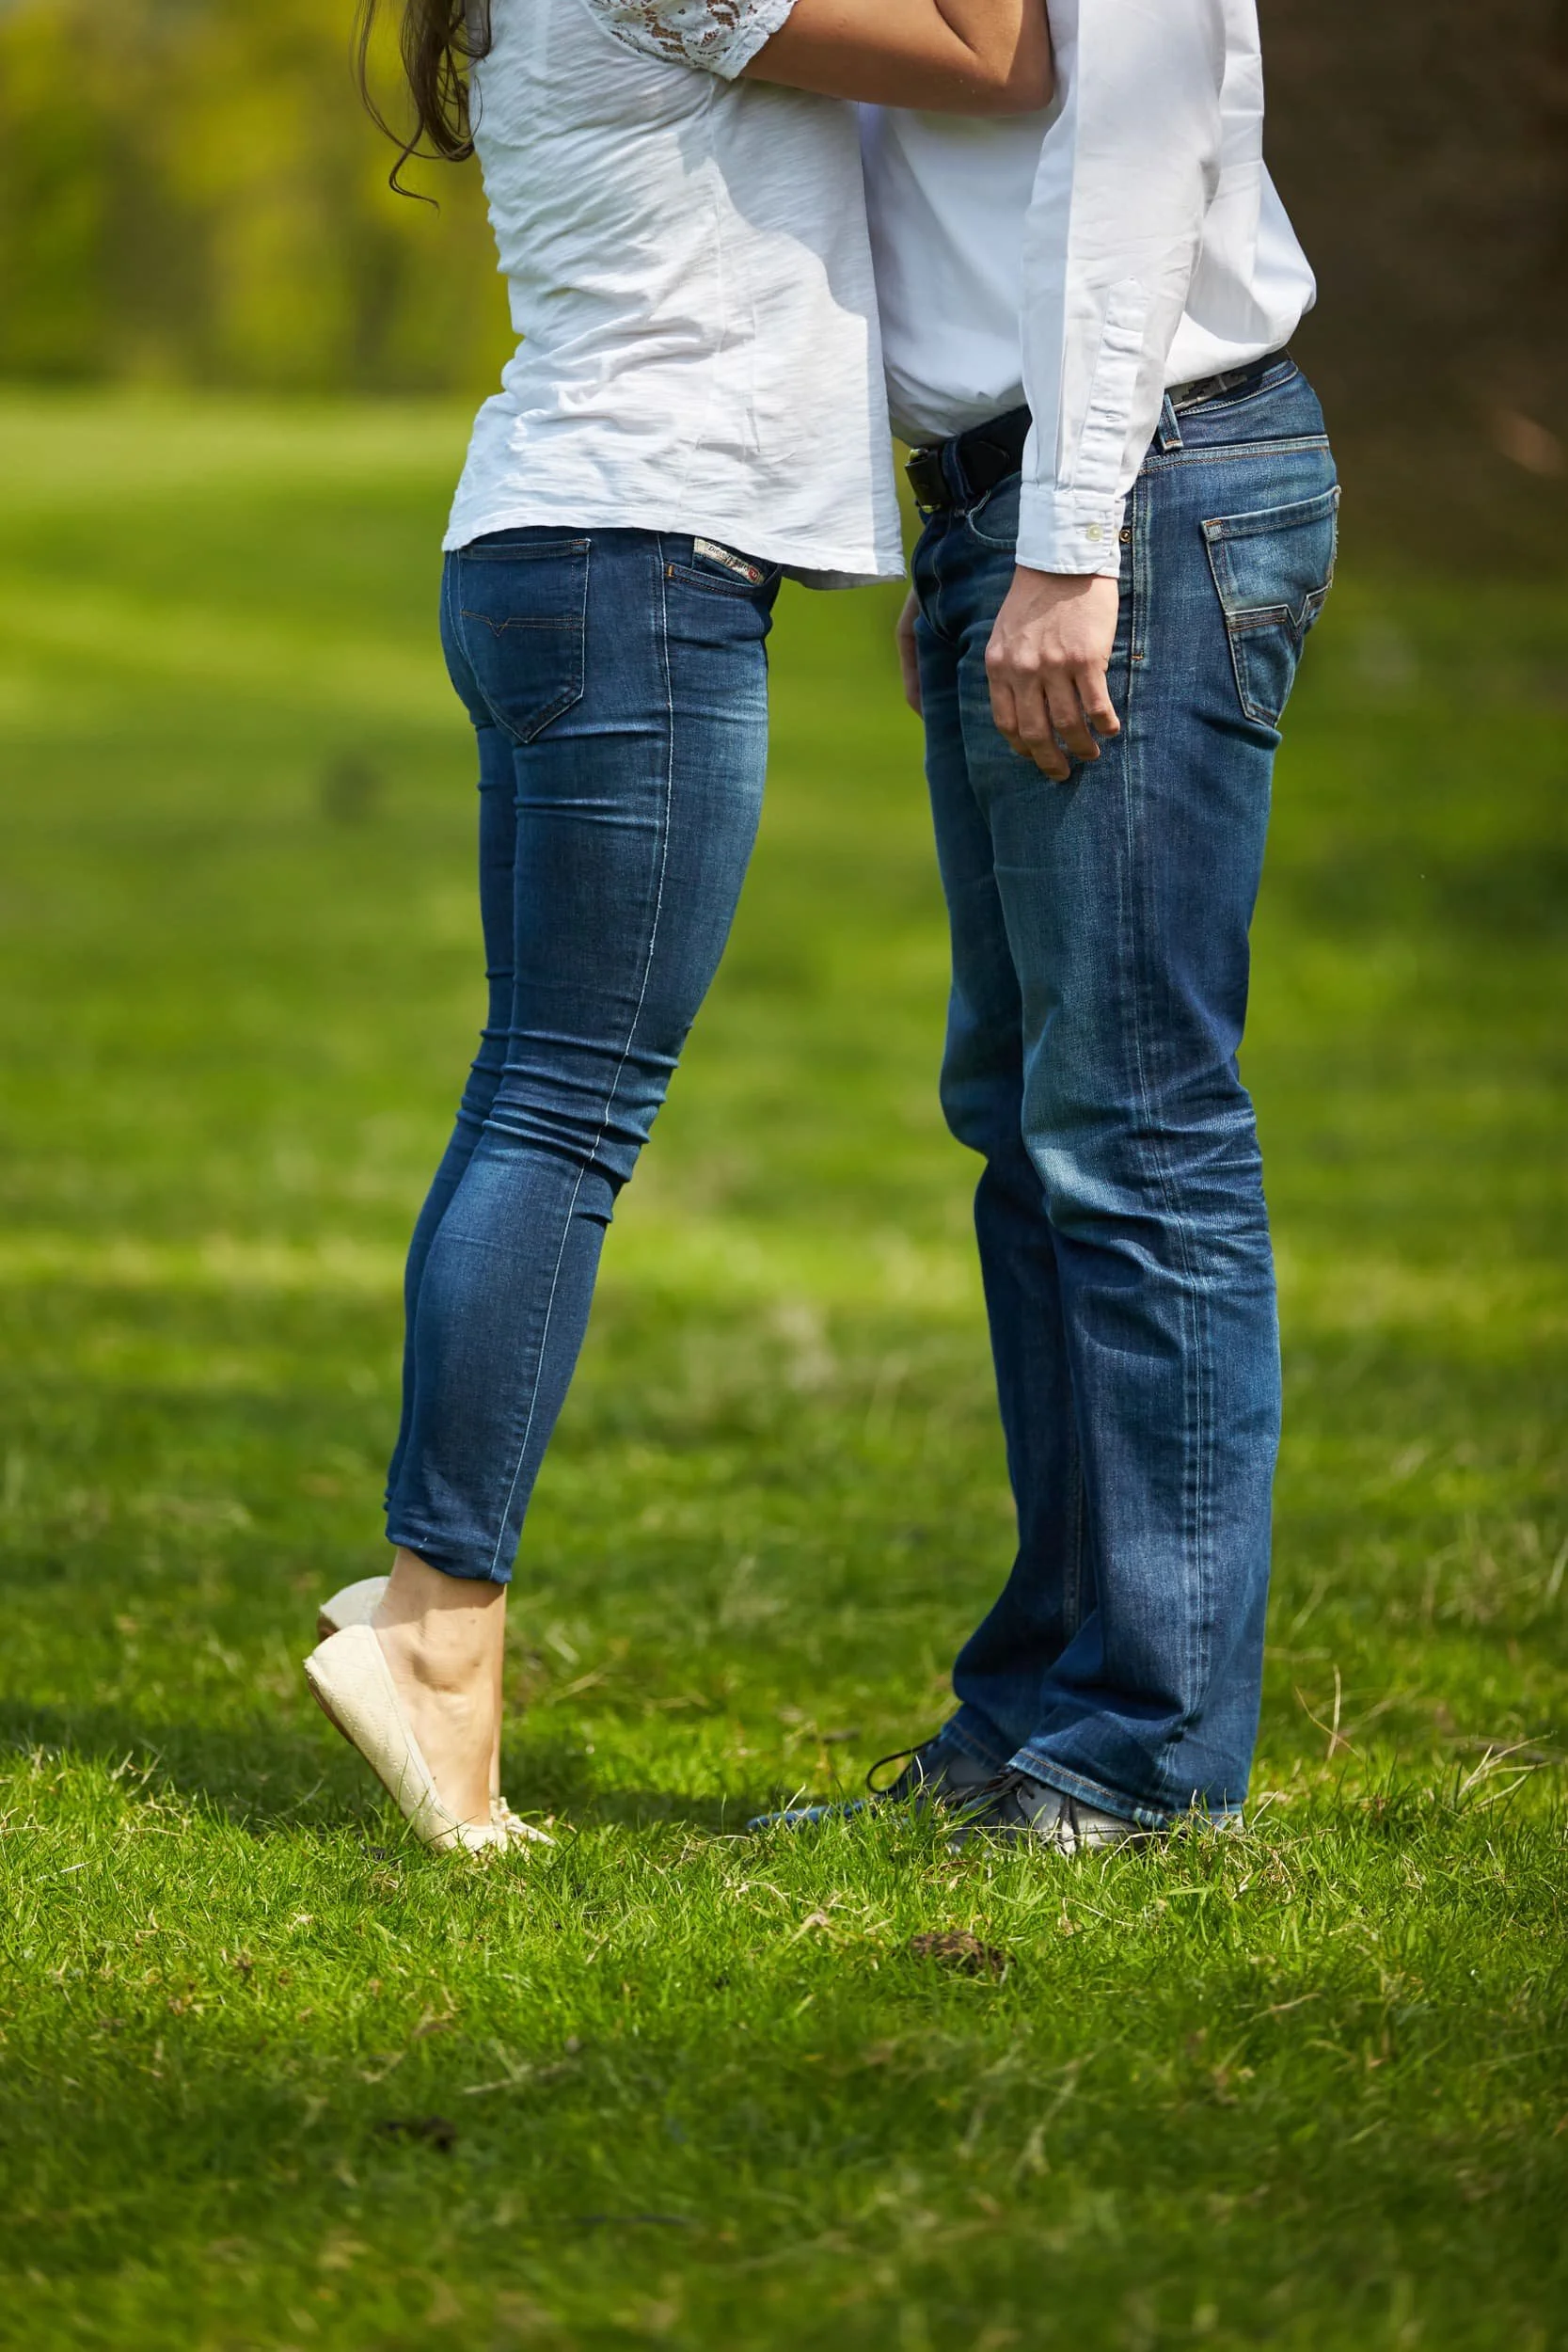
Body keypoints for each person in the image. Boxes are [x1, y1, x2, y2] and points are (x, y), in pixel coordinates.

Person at [304, 0, 1053, 1851]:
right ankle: (438, 1629)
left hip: (574, 550)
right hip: (634, 565)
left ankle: (422, 1611)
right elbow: (997, 57)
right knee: (567, 1106)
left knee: (539, 1090)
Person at [762, 0, 1336, 1851]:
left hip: (1133, 487)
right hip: (1020, 502)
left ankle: (1145, 1758)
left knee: (1131, 1134)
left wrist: (1066, 542)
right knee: (1029, 1132)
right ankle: (1036, 1714)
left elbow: (1133, 149)